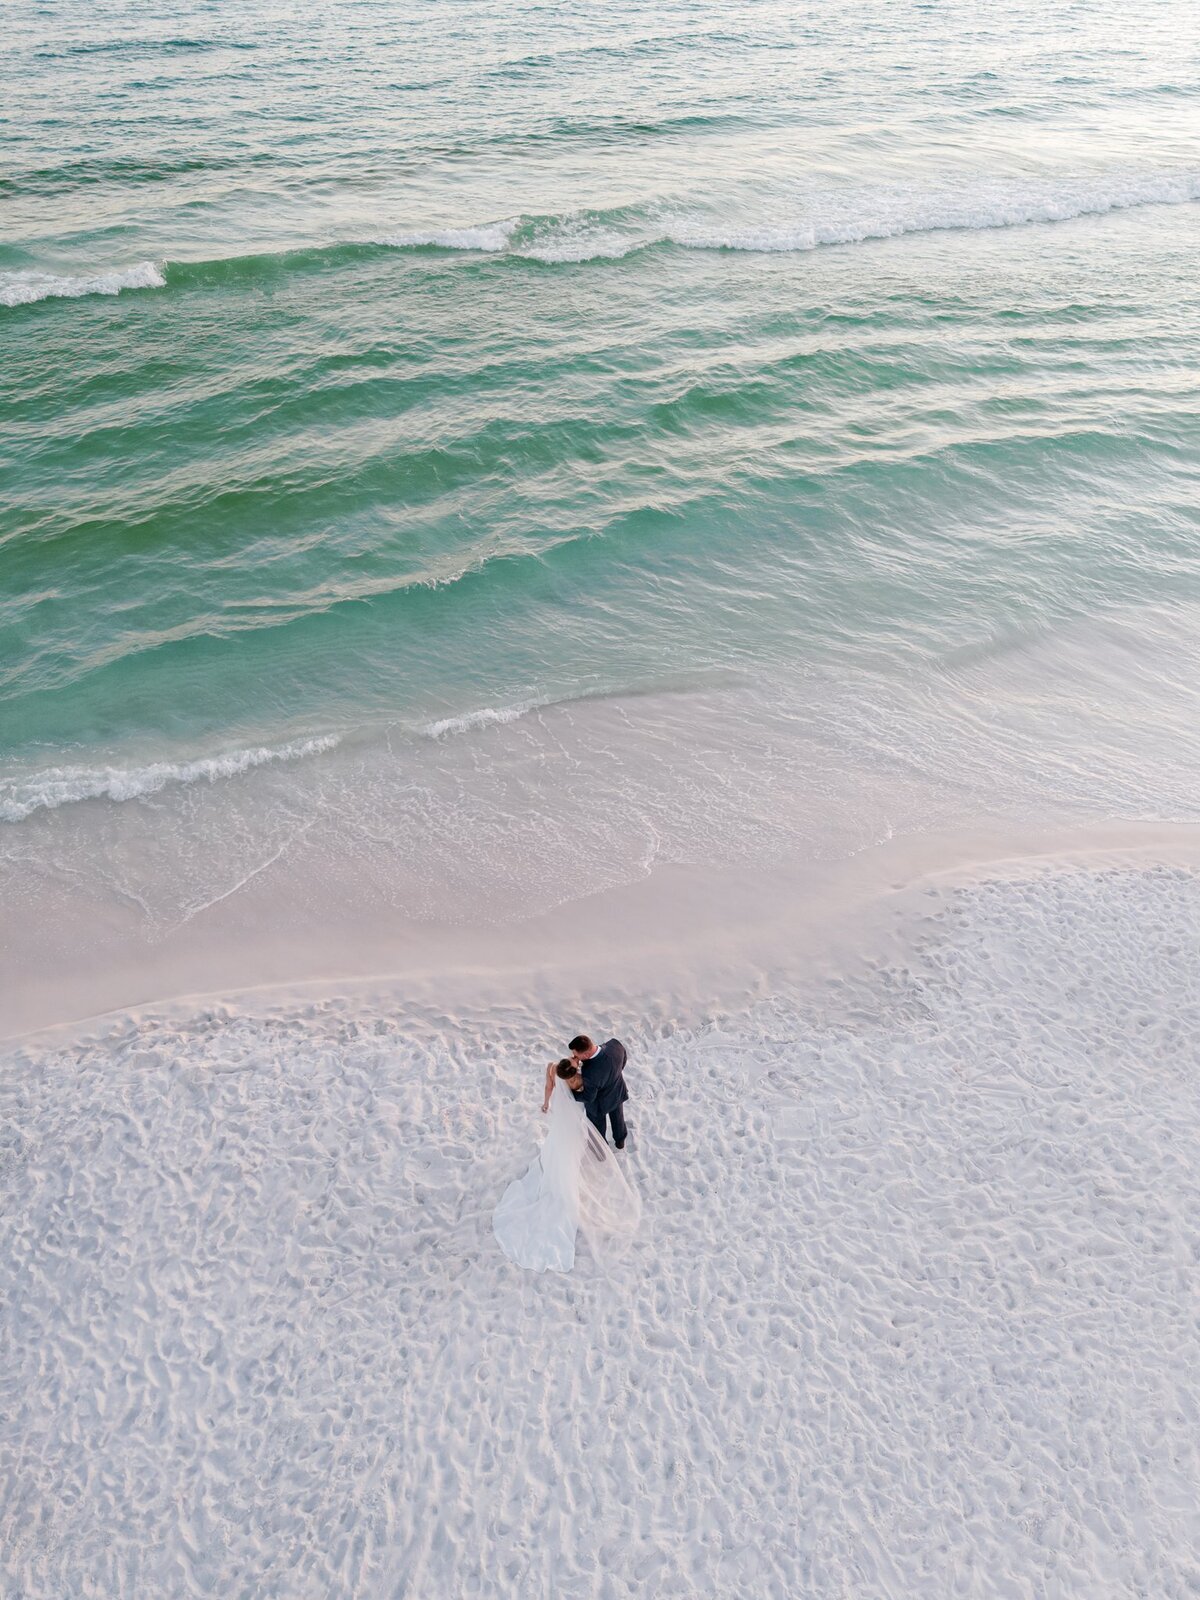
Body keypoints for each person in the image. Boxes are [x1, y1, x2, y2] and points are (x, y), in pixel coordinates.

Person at [493, 1059, 639, 1274]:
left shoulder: (552, 1067)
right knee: (573, 1144)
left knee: (559, 1141)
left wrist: (546, 1104)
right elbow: (583, 1087)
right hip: (573, 1115)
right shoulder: (575, 1076)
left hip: (561, 1115)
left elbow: (548, 1087)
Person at [569, 1033, 629, 1149]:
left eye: (576, 1055)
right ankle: (620, 1141)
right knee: (618, 1119)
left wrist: (571, 1094)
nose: (575, 1057)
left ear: (586, 1054)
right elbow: (623, 1061)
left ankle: (602, 1150)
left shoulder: (589, 1072)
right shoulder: (615, 1045)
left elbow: (588, 1097)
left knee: (597, 1130)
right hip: (617, 1092)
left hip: (600, 1105)